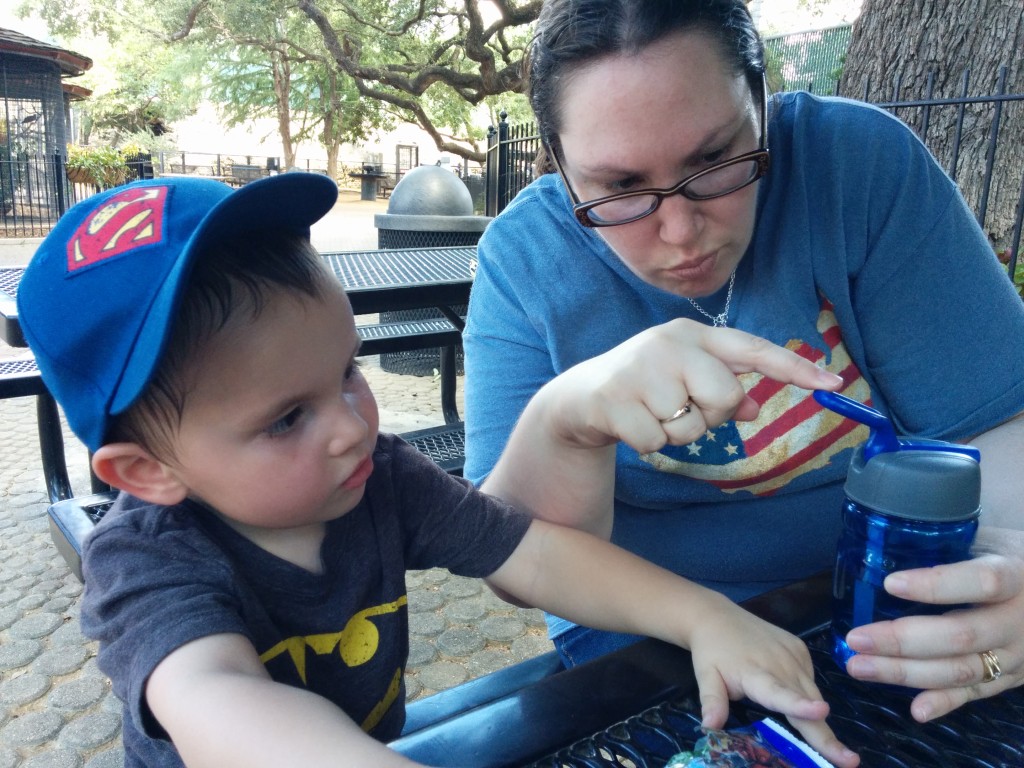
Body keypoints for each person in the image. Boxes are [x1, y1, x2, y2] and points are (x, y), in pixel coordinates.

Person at [18, 173, 860, 767]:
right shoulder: (147, 560)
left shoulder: (377, 476)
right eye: (286, 419)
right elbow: (219, 700)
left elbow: (531, 553)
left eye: (347, 373)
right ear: (145, 472)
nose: (353, 426)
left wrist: (703, 616)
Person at [463, 0, 1024, 729]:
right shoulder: (525, 261)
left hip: (885, 599)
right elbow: (516, 557)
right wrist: (564, 421)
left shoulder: (858, 169)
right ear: (559, 162)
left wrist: (1010, 564)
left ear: (762, 101)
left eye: (714, 161)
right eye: (620, 187)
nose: (680, 232)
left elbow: (998, 428)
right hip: (648, 638)